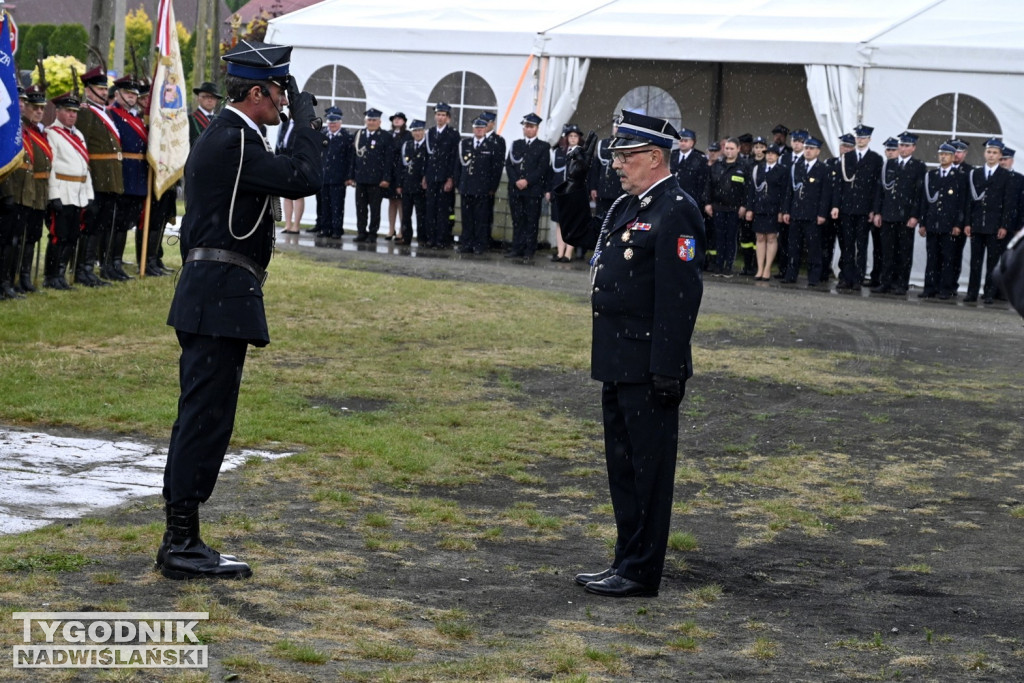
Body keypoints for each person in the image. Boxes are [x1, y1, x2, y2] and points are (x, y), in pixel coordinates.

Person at [159, 40, 323, 580]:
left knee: (209, 418)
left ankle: (185, 537)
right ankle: (180, 542)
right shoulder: (233, 140)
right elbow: (304, 177)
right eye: (279, 93)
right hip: (217, 298)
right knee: (202, 420)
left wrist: (294, 117)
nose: (283, 103)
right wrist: (306, 124)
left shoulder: (234, 137)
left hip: (220, 295)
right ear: (255, 92)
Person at [555, 110, 705, 598]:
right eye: (616, 154)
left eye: (626, 155)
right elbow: (579, 233)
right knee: (623, 468)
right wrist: (572, 183)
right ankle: (625, 560)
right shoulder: (630, 205)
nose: (617, 163)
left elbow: (679, 297)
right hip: (617, 359)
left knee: (648, 472)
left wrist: (667, 367)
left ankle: (641, 571)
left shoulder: (674, 209)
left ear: (655, 156)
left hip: (648, 366)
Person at [76, 66, 125, 284]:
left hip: (110, 178)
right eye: (99, 89)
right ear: (88, 90)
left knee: (103, 224)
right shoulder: (86, 112)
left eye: (105, 90)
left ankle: (93, 267)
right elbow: (82, 146)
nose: (104, 93)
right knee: (91, 224)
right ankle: (83, 268)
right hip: (96, 177)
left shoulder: (104, 113)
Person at [45, 92, 94, 290]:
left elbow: (85, 167)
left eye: (74, 112)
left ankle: (61, 274)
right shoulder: (52, 133)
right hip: (63, 191)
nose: (72, 115)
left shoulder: (79, 134)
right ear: (58, 112)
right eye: (68, 111)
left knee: (73, 235)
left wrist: (89, 195)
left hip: (79, 192)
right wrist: (54, 194)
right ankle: (51, 276)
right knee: (59, 235)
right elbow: (52, 166)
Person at [5, 86, 51, 296]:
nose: (38, 111)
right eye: (34, 107)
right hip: (17, 188)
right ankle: (9, 279)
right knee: (14, 238)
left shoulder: (38, 131)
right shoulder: (15, 128)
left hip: (35, 190)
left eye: (41, 108)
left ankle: (23, 277)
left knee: (31, 236)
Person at [872, 132, 925, 295]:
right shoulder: (889, 164)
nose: (903, 148)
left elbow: (919, 194)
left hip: (905, 216)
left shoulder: (918, 166)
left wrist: (915, 215)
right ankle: (885, 282)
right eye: (901, 145)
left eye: (907, 146)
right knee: (887, 251)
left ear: (913, 148)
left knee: (904, 252)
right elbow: (881, 190)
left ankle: (901, 283)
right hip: (888, 213)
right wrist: (877, 212)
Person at [108, 75, 148, 283]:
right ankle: (110, 262)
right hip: (123, 173)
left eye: (134, 94)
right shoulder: (112, 114)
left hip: (137, 175)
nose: (132, 98)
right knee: (116, 222)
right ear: (118, 94)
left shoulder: (137, 117)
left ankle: (117, 260)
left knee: (125, 224)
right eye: (128, 94)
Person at [964, 138, 1012, 304]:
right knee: (975, 262)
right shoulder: (976, 174)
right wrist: (968, 223)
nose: (991, 155)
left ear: (1000, 155)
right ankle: (972, 292)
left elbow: (1008, 202)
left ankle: (989, 293)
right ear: (985, 153)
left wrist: (1004, 225)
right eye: (989, 152)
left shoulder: (1006, 175)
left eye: (995, 153)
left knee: (992, 262)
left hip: (994, 225)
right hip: (977, 224)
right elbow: (969, 200)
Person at [834, 124, 882, 291]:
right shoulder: (847, 157)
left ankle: (858, 278)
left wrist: (874, 210)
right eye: (858, 137)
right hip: (847, 207)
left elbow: (877, 187)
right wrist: (836, 206)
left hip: (864, 209)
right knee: (846, 245)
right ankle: (846, 277)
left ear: (869, 139)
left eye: (863, 137)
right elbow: (840, 185)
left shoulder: (876, 159)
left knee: (861, 246)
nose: (860, 140)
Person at [781, 136, 831, 286]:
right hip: (796, 212)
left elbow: (825, 194)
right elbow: (790, 191)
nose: (808, 151)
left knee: (814, 248)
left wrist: (822, 213)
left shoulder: (822, 169)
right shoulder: (797, 166)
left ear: (818, 151)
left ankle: (814, 276)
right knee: (793, 247)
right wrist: (786, 211)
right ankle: (791, 274)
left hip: (813, 215)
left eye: (811, 149)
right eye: (806, 148)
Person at [918, 142, 965, 300]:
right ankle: (929, 287)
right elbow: (925, 201)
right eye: (941, 154)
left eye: (946, 154)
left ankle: (945, 288)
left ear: (953, 157)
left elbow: (961, 204)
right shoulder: (931, 176)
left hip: (948, 224)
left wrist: (958, 224)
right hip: (933, 223)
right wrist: (923, 223)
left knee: (947, 259)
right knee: (932, 258)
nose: (943, 157)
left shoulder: (959, 177)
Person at [504, 113, 550, 261]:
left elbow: (542, 168)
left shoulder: (543, 146)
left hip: (532, 190)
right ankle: (516, 247)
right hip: (516, 189)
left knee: (531, 221)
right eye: (526, 126)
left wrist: (527, 181)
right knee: (517, 220)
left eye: (531, 127)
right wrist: (516, 180)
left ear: (536, 128)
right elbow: (509, 164)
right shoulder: (516, 144)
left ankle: (529, 250)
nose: (528, 129)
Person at [455, 117, 503, 254]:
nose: (479, 130)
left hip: (483, 189)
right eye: (477, 128)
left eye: (482, 128)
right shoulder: (465, 144)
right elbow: (457, 166)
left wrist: (492, 187)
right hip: (466, 187)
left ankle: (479, 244)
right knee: (467, 218)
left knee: (481, 218)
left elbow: (496, 169)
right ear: (473, 129)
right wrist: (459, 184)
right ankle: (467, 244)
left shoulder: (491, 145)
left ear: (486, 129)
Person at [704, 137, 747, 275]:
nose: (729, 151)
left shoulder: (743, 166)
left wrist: (744, 205)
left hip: (734, 209)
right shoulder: (717, 165)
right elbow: (709, 185)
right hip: (718, 207)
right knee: (719, 237)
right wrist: (708, 203)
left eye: (732, 149)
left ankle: (728, 266)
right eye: (727, 148)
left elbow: (748, 189)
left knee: (731, 237)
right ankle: (718, 264)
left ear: (738, 149)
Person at [350, 108, 393, 243]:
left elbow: (389, 160)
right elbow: (353, 158)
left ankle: (373, 233)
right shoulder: (359, 134)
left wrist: (386, 178)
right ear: (365, 121)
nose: (371, 122)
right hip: (361, 179)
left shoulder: (385, 136)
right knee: (361, 209)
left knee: (375, 209)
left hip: (376, 180)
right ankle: (361, 232)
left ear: (379, 122)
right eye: (369, 119)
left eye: (374, 120)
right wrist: (351, 176)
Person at [422, 102, 460, 249]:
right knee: (430, 209)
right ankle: (430, 238)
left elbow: (454, 158)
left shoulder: (453, 134)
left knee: (443, 210)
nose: (440, 118)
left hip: (444, 177)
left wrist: (451, 178)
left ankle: (441, 239)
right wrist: (425, 175)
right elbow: (426, 156)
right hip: (432, 177)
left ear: (448, 118)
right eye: (438, 114)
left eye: (443, 115)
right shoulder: (430, 133)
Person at [746, 144, 786, 281]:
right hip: (760, 208)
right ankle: (760, 268)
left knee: (771, 238)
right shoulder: (758, 168)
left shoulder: (782, 171)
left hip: (773, 209)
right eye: (767, 153)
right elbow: (752, 190)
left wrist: (782, 211)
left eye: (772, 154)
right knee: (760, 238)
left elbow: (785, 193)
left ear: (777, 156)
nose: (769, 156)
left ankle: (767, 268)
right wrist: (750, 208)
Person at [316, 107, 353, 240]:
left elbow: (350, 159)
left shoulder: (346, 137)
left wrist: (349, 176)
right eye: (330, 122)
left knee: (337, 206)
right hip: (324, 177)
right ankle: (325, 228)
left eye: (335, 122)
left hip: (339, 177)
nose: (332, 125)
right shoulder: (322, 134)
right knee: (324, 205)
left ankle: (337, 230)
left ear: (340, 123)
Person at [547, 123, 582, 262]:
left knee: (572, 224)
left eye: (575, 136)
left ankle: (568, 253)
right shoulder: (559, 152)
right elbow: (552, 174)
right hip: (559, 194)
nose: (573, 138)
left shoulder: (582, 153)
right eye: (570, 136)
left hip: (573, 194)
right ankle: (560, 252)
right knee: (559, 223)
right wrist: (549, 190)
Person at [396, 119, 428, 246]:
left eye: (419, 130)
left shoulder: (427, 146)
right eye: (415, 131)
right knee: (406, 214)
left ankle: (422, 238)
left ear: (423, 131)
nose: (417, 133)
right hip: (408, 184)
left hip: (420, 185)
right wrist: (399, 184)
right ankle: (406, 237)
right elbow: (401, 166)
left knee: (421, 214)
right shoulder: (407, 145)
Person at [385, 112, 410, 240]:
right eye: (395, 119)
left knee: (401, 202)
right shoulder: (388, 134)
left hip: (402, 171)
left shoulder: (407, 135)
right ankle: (391, 229)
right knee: (392, 201)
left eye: (399, 119)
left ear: (404, 121)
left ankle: (401, 230)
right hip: (390, 171)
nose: (397, 121)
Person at [189, 81, 223, 146]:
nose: (210, 100)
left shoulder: (220, 120)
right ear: (198, 98)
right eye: (206, 96)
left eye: (213, 97)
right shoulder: (190, 119)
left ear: (216, 101)